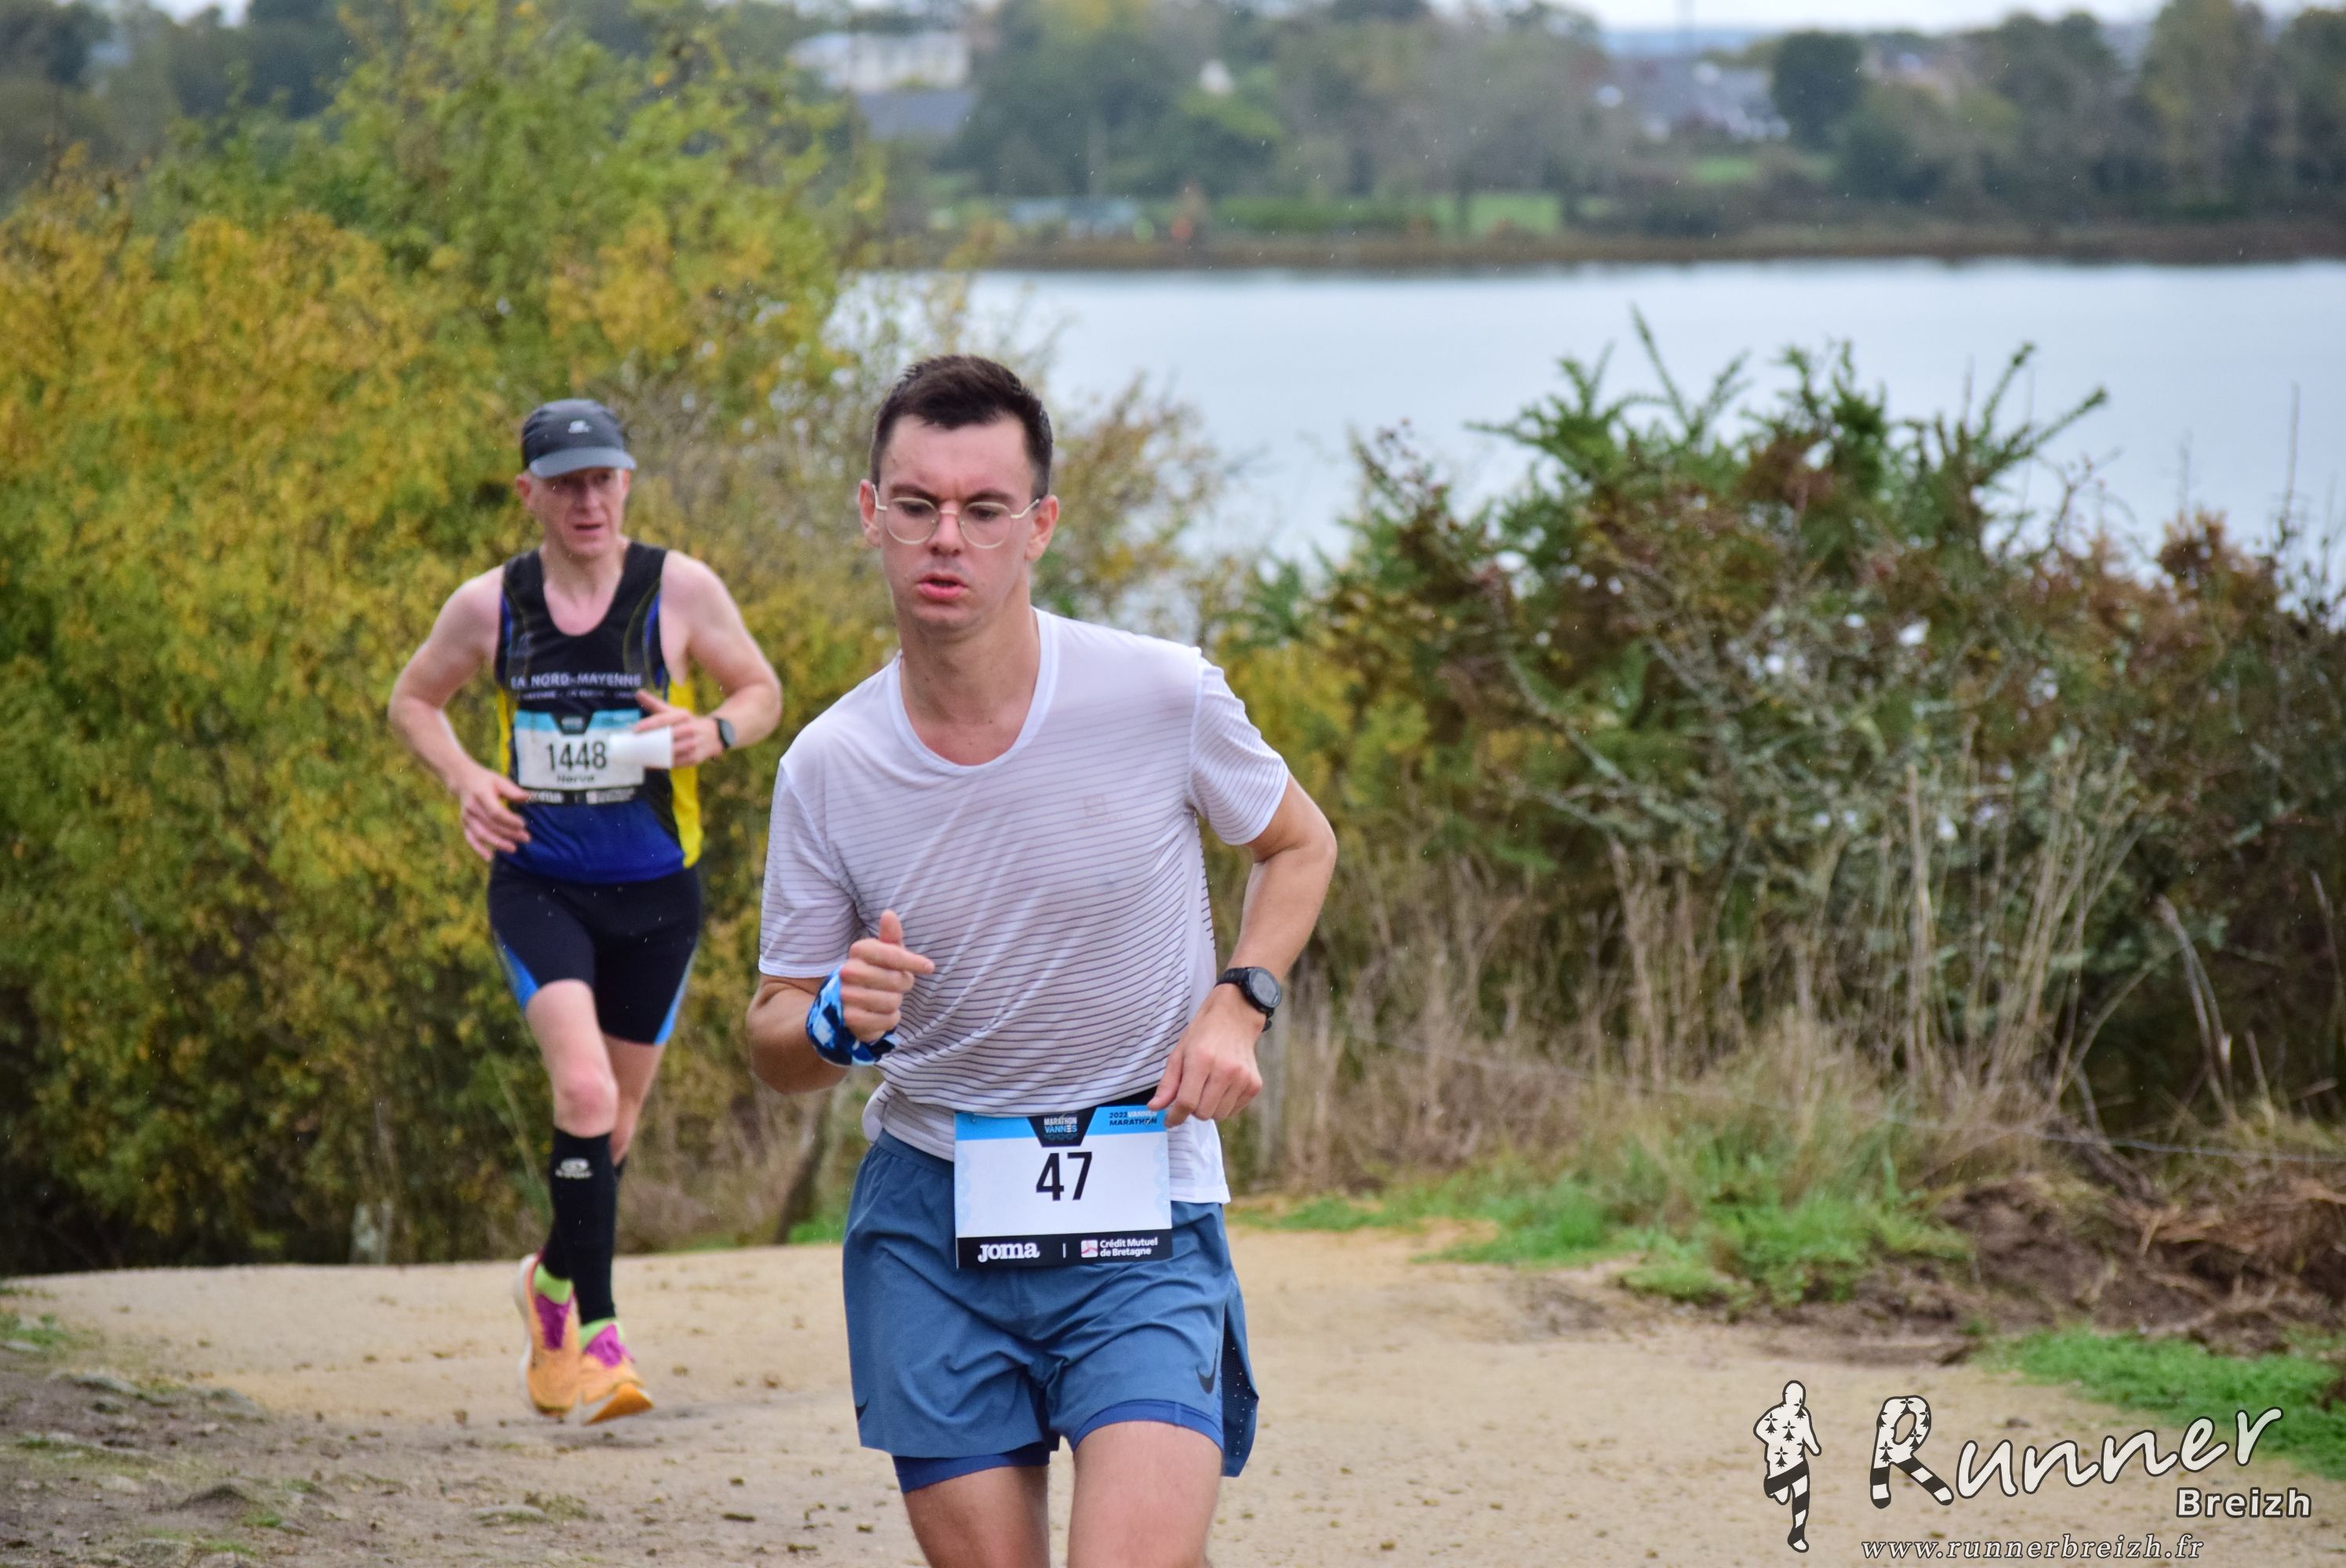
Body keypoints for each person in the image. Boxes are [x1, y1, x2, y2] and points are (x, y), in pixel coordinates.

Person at [745, 355, 1338, 1568]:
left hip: (1141, 1195)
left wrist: (1240, 1003)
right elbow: (773, 1035)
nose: (946, 539)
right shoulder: (828, 764)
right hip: (933, 1218)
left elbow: (1300, 844)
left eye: (984, 509)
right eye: (916, 506)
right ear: (870, 515)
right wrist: (835, 1023)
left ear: (1040, 526)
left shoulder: (1160, 694)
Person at [389, 399, 782, 1424]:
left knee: (614, 1121)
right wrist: (467, 778)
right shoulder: (490, 607)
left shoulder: (679, 590)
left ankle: (549, 1281)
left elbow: (762, 692)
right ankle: (600, 1343)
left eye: (603, 479)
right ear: (530, 494)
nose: (588, 501)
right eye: (565, 484)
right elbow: (412, 701)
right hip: (542, 885)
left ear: (628, 483)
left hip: (658, 896)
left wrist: (714, 732)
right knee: (582, 1087)